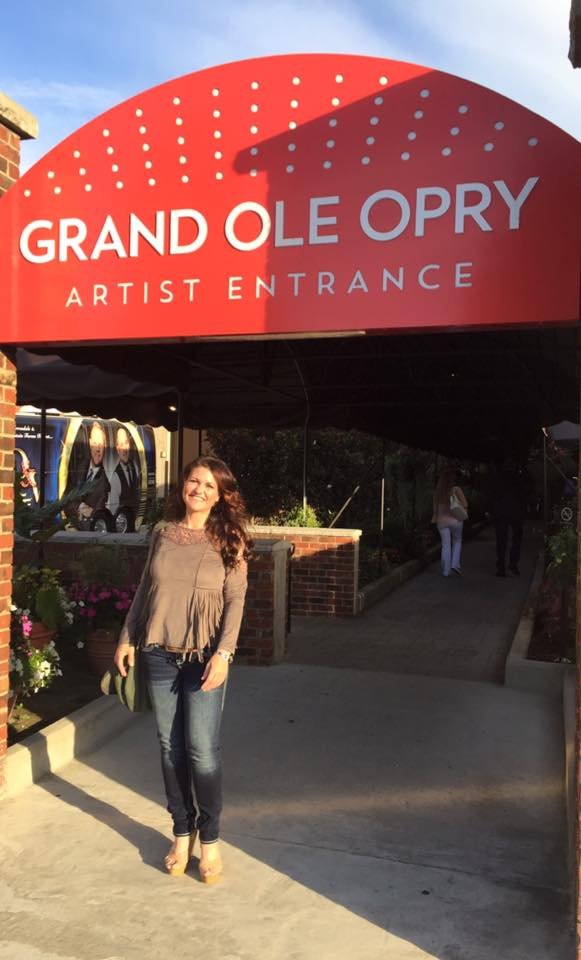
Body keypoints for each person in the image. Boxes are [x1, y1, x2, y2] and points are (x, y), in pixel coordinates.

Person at [114, 456, 251, 884]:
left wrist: (224, 654)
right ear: (183, 485)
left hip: (205, 658)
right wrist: (126, 637)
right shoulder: (162, 532)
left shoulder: (230, 538)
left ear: (220, 496)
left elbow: (236, 600)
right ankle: (181, 832)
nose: (199, 490)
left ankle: (209, 839)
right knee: (169, 748)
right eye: (194, 481)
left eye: (209, 486)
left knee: (201, 750)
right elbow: (145, 589)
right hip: (159, 652)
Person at [491, 458, 527, 577]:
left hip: (501, 512)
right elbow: (523, 495)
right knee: (516, 539)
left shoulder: (497, 478)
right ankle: (513, 562)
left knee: (501, 540)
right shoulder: (519, 479)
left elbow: (493, 495)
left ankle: (501, 566)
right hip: (516, 512)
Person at [432, 468, 468, 577]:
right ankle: (455, 564)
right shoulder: (456, 490)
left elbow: (435, 510)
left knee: (445, 545)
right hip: (456, 521)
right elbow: (465, 504)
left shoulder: (437, 492)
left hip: (442, 522)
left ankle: (446, 571)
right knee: (457, 541)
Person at [77, 420, 110, 522]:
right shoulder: (79, 467)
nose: (98, 449)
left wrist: (89, 512)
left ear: (105, 446)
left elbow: (99, 510)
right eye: (95, 443)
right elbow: (67, 496)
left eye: (100, 444)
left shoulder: (106, 481)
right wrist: (79, 507)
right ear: (90, 443)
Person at [107, 425, 140, 525]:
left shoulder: (135, 467)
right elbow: (113, 509)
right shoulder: (115, 476)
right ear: (117, 448)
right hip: (122, 522)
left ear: (129, 445)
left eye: (126, 443)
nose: (124, 449)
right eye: (121, 444)